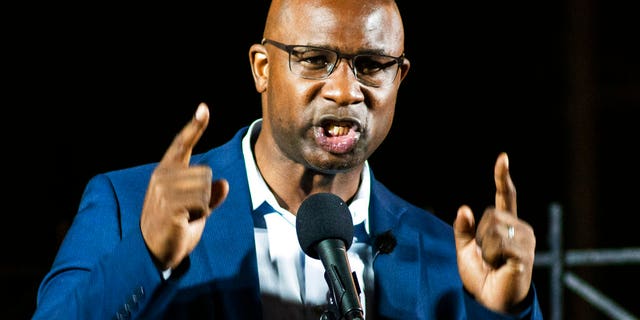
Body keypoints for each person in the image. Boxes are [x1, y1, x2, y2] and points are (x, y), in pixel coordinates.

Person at [33, 0, 543, 319]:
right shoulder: (130, 207)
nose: (345, 90)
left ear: (399, 79)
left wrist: (509, 313)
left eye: (370, 66)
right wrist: (144, 254)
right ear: (262, 68)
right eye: (315, 59)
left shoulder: (448, 258)